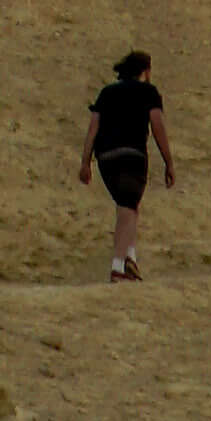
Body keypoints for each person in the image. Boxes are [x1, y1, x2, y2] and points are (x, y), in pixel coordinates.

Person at [78, 49, 172, 278]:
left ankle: (130, 257)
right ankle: (118, 267)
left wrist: (85, 162)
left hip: (106, 158)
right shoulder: (148, 92)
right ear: (146, 71)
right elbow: (157, 125)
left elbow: (93, 128)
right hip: (132, 155)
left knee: (128, 204)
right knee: (127, 208)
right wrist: (168, 162)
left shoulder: (107, 93)